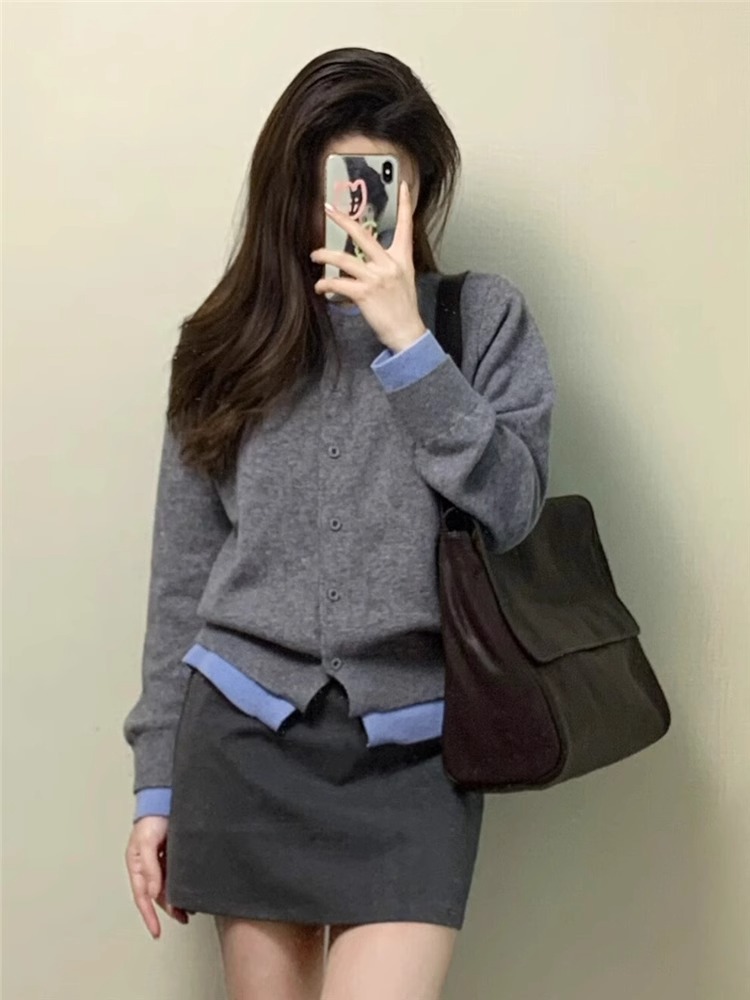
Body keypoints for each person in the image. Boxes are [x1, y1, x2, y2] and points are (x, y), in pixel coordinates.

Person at [123, 45, 556, 1000]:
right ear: (293, 189)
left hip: (416, 756)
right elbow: (182, 580)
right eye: (338, 184)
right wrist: (156, 784)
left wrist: (409, 345)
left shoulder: (482, 321)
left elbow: (513, 510)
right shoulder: (222, 345)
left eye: (384, 183)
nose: (359, 209)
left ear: (419, 189)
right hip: (242, 736)